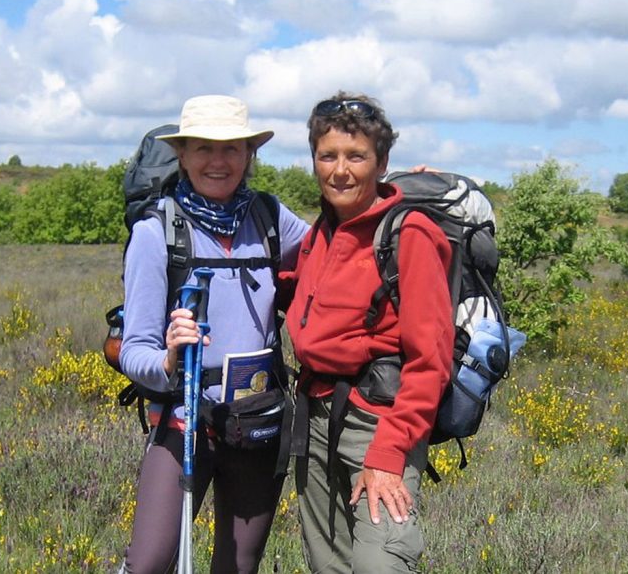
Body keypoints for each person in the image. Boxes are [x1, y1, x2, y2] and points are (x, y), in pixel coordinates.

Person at [118, 94, 310, 574]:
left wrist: (393, 192)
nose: (218, 161)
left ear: (250, 155)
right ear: (181, 155)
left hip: (256, 420)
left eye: (231, 149)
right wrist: (167, 359)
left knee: (239, 566)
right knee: (149, 563)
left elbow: (335, 251)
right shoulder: (156, 231)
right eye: (203, 148)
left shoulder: (270, 218)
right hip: (184, 421)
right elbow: (134, 350)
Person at [285, 92, 454, 573]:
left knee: (381, 562)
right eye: (328, 155)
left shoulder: (410, 233)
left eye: (356, 156)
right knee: (328, 564)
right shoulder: (320, 231)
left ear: (382, 163)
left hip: (379, 422)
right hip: (314, 420)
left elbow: (430, 361)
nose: (341, 170)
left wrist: (388, 453)